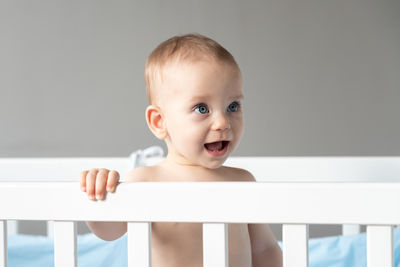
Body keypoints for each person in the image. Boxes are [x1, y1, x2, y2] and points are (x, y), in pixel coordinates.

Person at [80, 33, 282, 267]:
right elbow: (108, 230)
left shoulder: (243, 181)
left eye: (232, 106)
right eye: (201, 108)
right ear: (159, 121)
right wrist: (99, 194)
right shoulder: (146, 180)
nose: (222, 123)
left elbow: (264, 249)